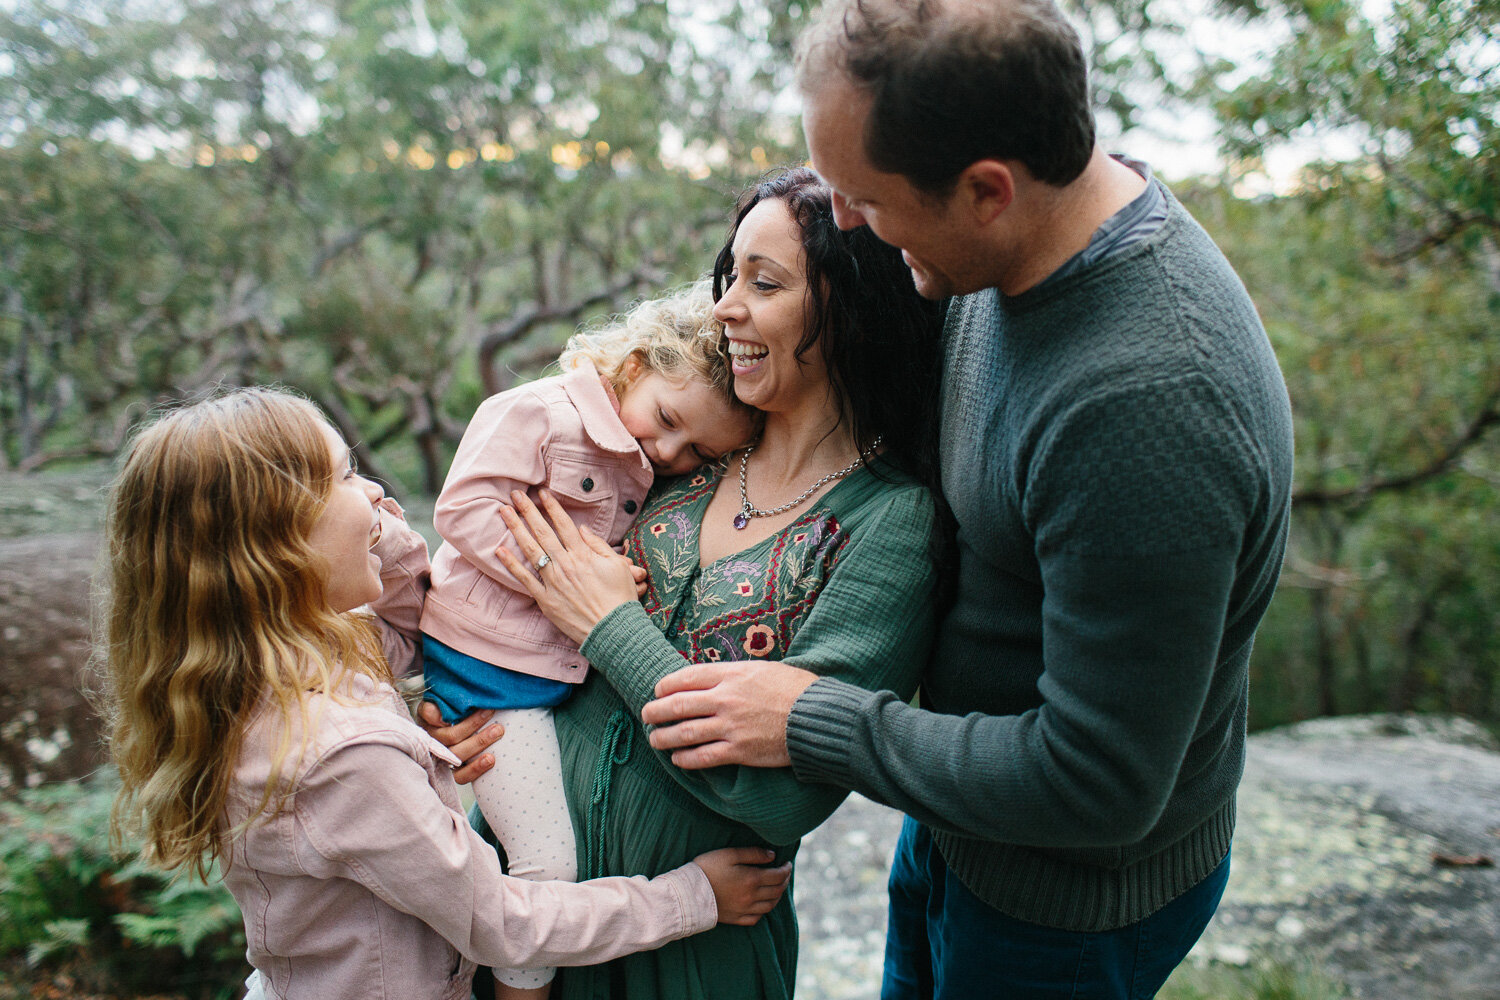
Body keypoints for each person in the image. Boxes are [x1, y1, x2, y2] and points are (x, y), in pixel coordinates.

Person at [638, 1, 1297, 998]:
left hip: (1066, 905)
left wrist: (815, 718)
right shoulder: (994, 242)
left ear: (988, 189)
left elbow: (1100, 781)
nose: (846, 225)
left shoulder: (1145, 409)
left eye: (863, 198)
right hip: (961, 819)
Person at [98, 387, 790, 1000]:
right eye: (343, 477)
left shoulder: (299, 667)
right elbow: (500, 923)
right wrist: (691, 897)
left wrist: (376, 533)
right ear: (276, 544)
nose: (375, 492)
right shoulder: (343, 751)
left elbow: (410, 609)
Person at [460, 166, 948, 1000]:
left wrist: (609, 625)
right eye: (733, 276)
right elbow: (503, 591)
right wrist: (452, 705)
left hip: (693, 957)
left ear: (854, 308)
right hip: (517, 910)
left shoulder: (889, 522)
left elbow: (782, 793)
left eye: (765, 283)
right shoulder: (668, 455)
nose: (725, 308)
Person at [418, 284, 757, 998]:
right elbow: (462, 507)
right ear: (633, 365)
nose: (667, 450)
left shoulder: (646, 464)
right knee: (545, 862)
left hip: (533, 677)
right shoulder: (537, 413)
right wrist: (563, 569)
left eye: (697, 450)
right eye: (666, 419)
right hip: (488, 675)